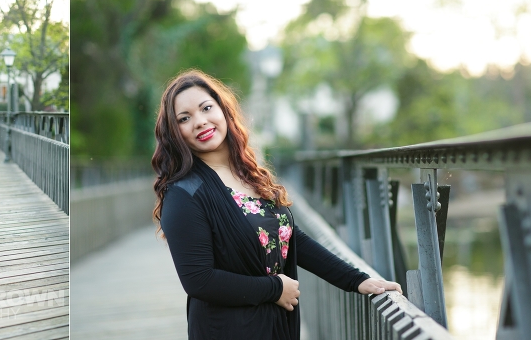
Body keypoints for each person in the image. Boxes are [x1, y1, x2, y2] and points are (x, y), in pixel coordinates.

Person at [151, 70, 401, 340]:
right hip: (228, 330)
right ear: (175, 133)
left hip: (272, 326)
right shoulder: (183, 194)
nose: (199, 122)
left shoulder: (247, 174)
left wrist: (356, 280)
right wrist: (275, 289)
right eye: (184, 119)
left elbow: (289, 237)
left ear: (223, 110)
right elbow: (199, 280)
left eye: (206, 108)